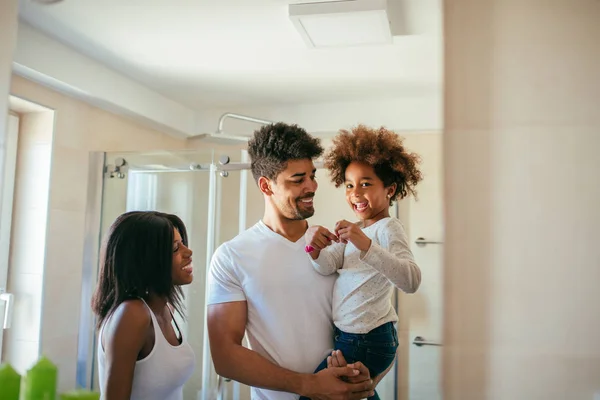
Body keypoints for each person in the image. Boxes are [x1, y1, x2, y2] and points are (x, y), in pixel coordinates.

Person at [207, 123, 381, 400]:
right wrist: (310, 386)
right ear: (266, 185)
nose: (311, 187)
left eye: (312, 176)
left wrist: (366, 378)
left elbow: (377, 324)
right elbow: (225, 356)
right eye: (298, 179)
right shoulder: (232, 256)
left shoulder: (337, 247)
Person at [300, 125, 423, 400]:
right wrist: (314, 248)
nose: (355, 193)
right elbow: (328, 266)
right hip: (351, 338)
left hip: (369, 339)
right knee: (358, 395)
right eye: (349, 185)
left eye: (365, 184)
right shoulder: (356, 228)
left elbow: (411, 280)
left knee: (312, 395)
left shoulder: (388, 228)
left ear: (389, 189)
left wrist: (364, 244)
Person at [92, 211, 195, 400]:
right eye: (174, 248)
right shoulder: (132, 314)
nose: (188, 252)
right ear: (145, 259)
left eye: (183, 244)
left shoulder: (166, 309)